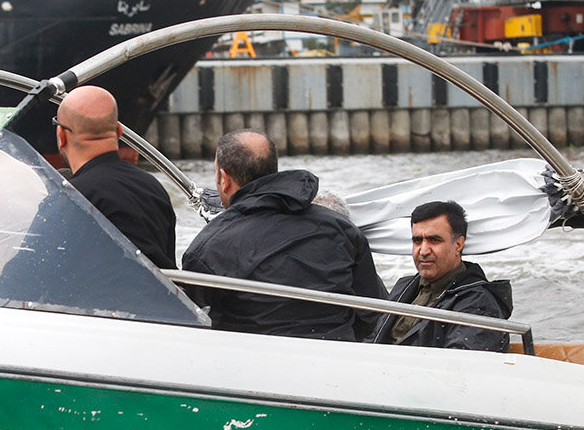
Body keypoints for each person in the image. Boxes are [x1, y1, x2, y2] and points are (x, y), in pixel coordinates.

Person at [181, 129, 386, 340]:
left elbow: (189, 319)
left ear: (224, 179)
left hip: (251, 359)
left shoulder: (207, 248)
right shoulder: (341, 228)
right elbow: (370, 313)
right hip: (336, 354)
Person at [55, 85, 177, 269]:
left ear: (61, 135)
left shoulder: (70, 196)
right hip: (160, 295)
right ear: (119, 131)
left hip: (98, 297)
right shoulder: (153, 187)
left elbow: (26, 275)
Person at [368, 200, 513, 352]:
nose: (423, 251)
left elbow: (458, 367)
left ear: (458, 245)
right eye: (417, 241)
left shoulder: (479, 303)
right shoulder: (404, 286)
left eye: (434, 240)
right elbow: (373, 340)